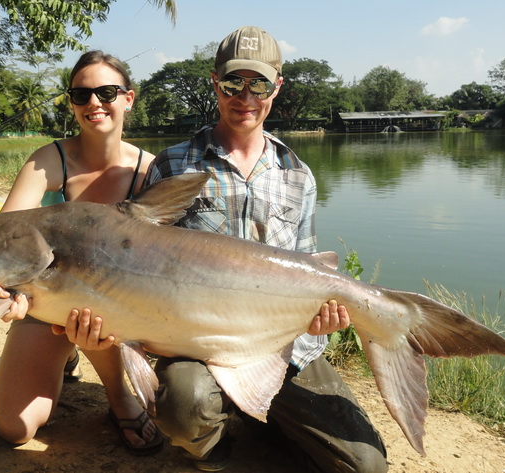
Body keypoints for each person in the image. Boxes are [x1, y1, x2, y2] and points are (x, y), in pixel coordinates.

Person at [65, 26, 388, 472]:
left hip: (282, 347)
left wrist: (321, 316)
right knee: (183, 409)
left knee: (365, 466)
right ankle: (214, 453)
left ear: (277, 86)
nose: (245, 96)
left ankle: (265, 414)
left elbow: (307, 262)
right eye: (234, 82)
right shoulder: (175, 164)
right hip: (199, 344)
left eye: (258, 83)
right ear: (216, 83)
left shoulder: (298, 174)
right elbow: (135, 265)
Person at [0, 50, 163, 455]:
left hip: (121, 305)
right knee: (15, 429)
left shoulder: (153, 172)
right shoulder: (48, 161)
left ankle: (118, 396)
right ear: (72, 102)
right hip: (46, 304)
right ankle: (65, 355)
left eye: (106, 92)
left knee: (100, 304)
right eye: (81, 95)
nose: (94, 103)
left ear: (129, 98)